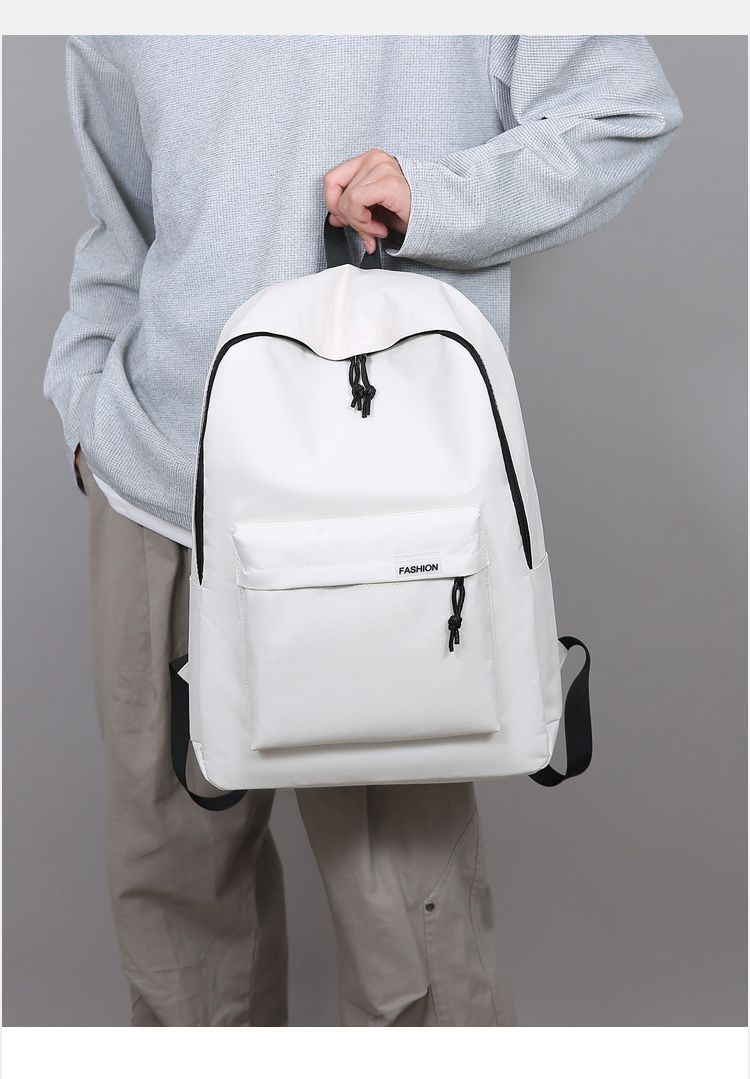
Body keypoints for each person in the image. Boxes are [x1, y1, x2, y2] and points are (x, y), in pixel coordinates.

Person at [44, 35, 681, 1027]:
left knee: (411, 933)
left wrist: (434, 196)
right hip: (158, 486)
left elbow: (623, 111)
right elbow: (122, 221)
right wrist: (83, 398)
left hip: (378, 510)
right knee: (174, 915)